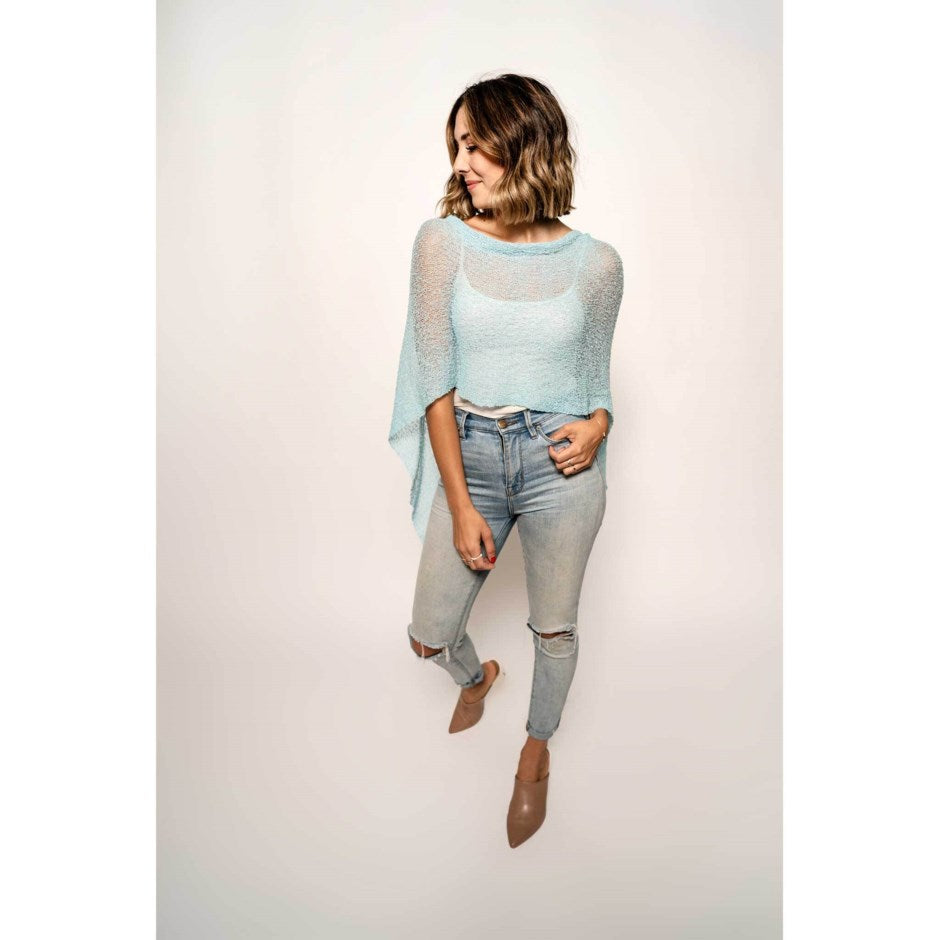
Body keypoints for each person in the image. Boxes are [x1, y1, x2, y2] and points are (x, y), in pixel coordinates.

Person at [388, 73, 624, 848]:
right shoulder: (441, 244)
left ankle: (534, 752)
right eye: (456, 146)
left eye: (476, 144)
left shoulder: (598, 264)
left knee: (554, 631)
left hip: (561, 466)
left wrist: (599, 428)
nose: (461, 163)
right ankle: (476, 677)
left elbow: (596, 387)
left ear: (524, 143)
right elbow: (434, 381)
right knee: (428, 634)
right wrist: (461, 505)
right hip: (475, 455)